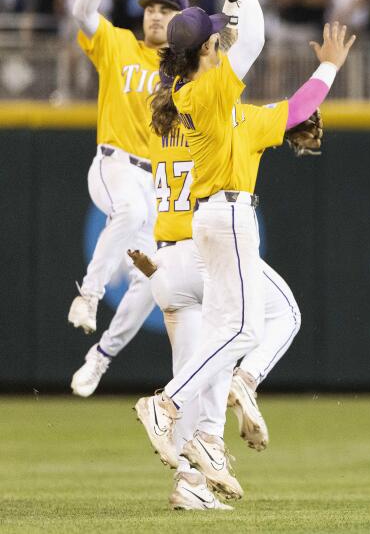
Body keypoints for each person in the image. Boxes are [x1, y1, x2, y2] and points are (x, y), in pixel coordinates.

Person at [132, 0, 353, 491]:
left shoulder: (217, 102)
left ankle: (198, 421)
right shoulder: (207, 91)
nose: (220, 38)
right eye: (213, 37)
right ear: (206, 49)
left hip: (212, 220)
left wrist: (326, 68)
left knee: (239, 327)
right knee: (243, 327)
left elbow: (295, 111)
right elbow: (250, 38)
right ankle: (168, 404)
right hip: (226, 218)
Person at [128, 41, 308, 508]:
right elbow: (261, 116)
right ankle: (244, 383)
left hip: (166, 263)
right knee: (273, 317)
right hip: (202, 249)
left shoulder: (159, 126)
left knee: (200, 368)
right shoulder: (219, 116)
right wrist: (289, 126)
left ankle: (190, 482)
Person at [67, 0, 186, 397]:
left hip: (155, 183)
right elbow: (80, 12)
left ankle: (100, 357)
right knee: (131, 214)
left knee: (152, 281)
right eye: (151, 8)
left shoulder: (187, 71)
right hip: (113, 164)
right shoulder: (117, 44)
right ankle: (89, 294)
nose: (155, 14)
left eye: (166, 10)